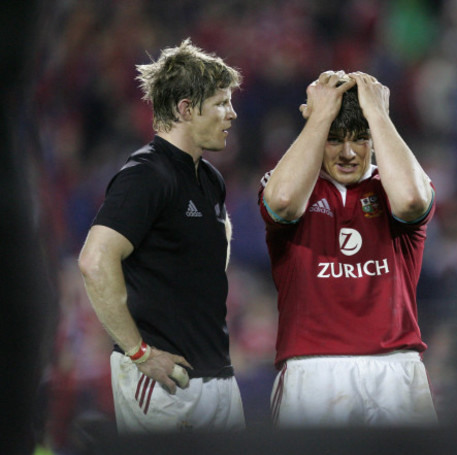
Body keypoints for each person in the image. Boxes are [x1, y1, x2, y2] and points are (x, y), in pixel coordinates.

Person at [78, 38, 245, 433]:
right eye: (221, 102)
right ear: (186, 108)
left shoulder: (210, 179)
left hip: (216, 375)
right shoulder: (146, 174)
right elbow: (94, 260)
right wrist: (139, 353)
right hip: (164, 382)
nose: (232, 114)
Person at [259, 70, 437, 427]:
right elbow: (282, 202)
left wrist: (379, 115)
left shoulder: (396, 181)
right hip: (313, 368)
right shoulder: (291, 182)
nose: (349, 153)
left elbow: (411, 202)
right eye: (334, 139)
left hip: (395, 365)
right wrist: (320, 115)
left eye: (361, 139)